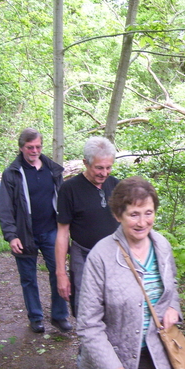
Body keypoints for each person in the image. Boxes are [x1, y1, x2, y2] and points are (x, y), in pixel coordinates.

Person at [77, 176, 181, 369]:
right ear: (117, 214)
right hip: (117, 353)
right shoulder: (101, 256)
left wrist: (172, 308)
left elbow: (172, 288)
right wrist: (111, 368)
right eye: (134, 214)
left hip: (156, 353)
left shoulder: (162, 246)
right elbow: (88, 323)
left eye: (148, 213)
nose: (142, 222)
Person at [0, 128, 71, 333]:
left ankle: (59, 315)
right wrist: (11, 236)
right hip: (24, 234)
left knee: (58, 272)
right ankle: (36, 317)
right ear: (21, 147)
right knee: (28, 277)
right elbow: (5, 207)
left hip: (51, 232)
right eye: (30, 147)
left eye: (38, 146)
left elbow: (63, 201)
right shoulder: (12, 173)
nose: (34, 150)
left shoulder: (52, 169)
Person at [55, 136, 120, 317]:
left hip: (114, 257)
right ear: (85, 163)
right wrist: (61, 274)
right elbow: (62, 233)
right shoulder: (70, 189)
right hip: (83, 256)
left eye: (108, 167)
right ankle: (87, 345)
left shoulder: (116, 185)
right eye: (99, 167)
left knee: (114, 308)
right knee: (86, 310)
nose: (104, 173)